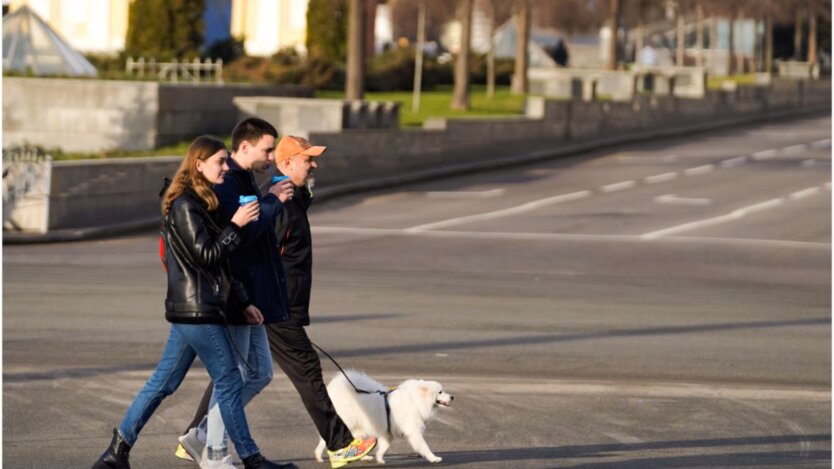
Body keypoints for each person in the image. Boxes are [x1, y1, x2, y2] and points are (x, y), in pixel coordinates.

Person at [92, 136, 294, 469]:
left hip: (195, 309)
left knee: (164, 383)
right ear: (199, 165)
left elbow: (221, 263)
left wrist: (243, 301)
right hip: (197, 310)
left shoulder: (203, 201)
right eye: (219, 162)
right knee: (229, 380)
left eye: (225, 161)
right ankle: (251, 459)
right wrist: (236, 224)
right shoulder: (185, 204)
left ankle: (116, 452)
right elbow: (208, 255)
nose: (225, 168)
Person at [177, 135, 378, 469]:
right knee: (305, 369)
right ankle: (339, 445)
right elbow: (258, 250)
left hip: (274, 304)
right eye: (307, 159)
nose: (314, 165)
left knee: (235, 372)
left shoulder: (291, 198)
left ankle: (195, 435)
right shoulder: (277, 203)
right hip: (274, 305)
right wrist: (261, 301)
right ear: (287, 163)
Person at [177, 118, 296, 469]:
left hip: (251, 295)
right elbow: (237, 239)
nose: (272, 157)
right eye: (267, 149)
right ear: (244, 147)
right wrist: (272, 202)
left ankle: (201, 433)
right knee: (233, 378)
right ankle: (214, 450)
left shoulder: (244, 180)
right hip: (236, 296)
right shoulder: (227, 184)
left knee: (258, 374)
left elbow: (259, 235)